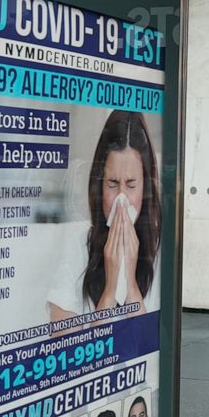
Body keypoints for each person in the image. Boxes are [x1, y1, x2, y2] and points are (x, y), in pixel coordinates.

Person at [48, 110, 162, 329]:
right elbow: (67, 353)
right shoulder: (77, 244)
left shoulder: (162, 250)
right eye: (112, 183)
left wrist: (130, 285)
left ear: (145, 187)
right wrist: (109, 291)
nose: (122, 199)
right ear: (99, 184)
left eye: (131, 185)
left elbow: (149, 351)